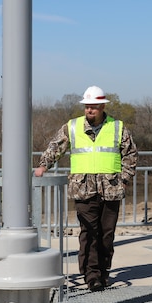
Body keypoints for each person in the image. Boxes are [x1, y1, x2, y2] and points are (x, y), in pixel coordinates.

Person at [34, 86, 138, 292]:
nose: (89, 110)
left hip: (111, 188)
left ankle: (103, 271)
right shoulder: (72, 127)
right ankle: (91, 275)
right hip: (83, 189)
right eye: (87, 107)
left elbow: (130, 155)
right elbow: (55, 147)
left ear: (102, 107)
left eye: (93, 107)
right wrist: (44, 165)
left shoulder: (118, 128)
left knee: (106, 234)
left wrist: (125, 179)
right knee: (89, 233)